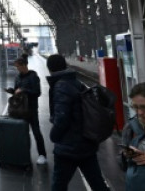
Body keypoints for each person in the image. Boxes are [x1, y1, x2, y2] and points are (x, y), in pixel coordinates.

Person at [46, 54, 109, 191]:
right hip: (86, 142)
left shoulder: (60, 86)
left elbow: (62, 118)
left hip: (68, 146)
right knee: (98, 184)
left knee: (58, 185)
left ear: (50, 68)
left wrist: (54, 136)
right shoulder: (75, 81)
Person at [9, 55, 47, 165]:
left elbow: (37, 92)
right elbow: (16, 90)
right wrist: (12, 91)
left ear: (24, 65)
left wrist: (23, 90)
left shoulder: (33, 77)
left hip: (31, 109)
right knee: (22, 132)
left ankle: (42, 155)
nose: (17, 69)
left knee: (36, 132)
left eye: (18, 66)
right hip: (20, 109)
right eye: (16, 67)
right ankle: (24, 153)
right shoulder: (18, 77)